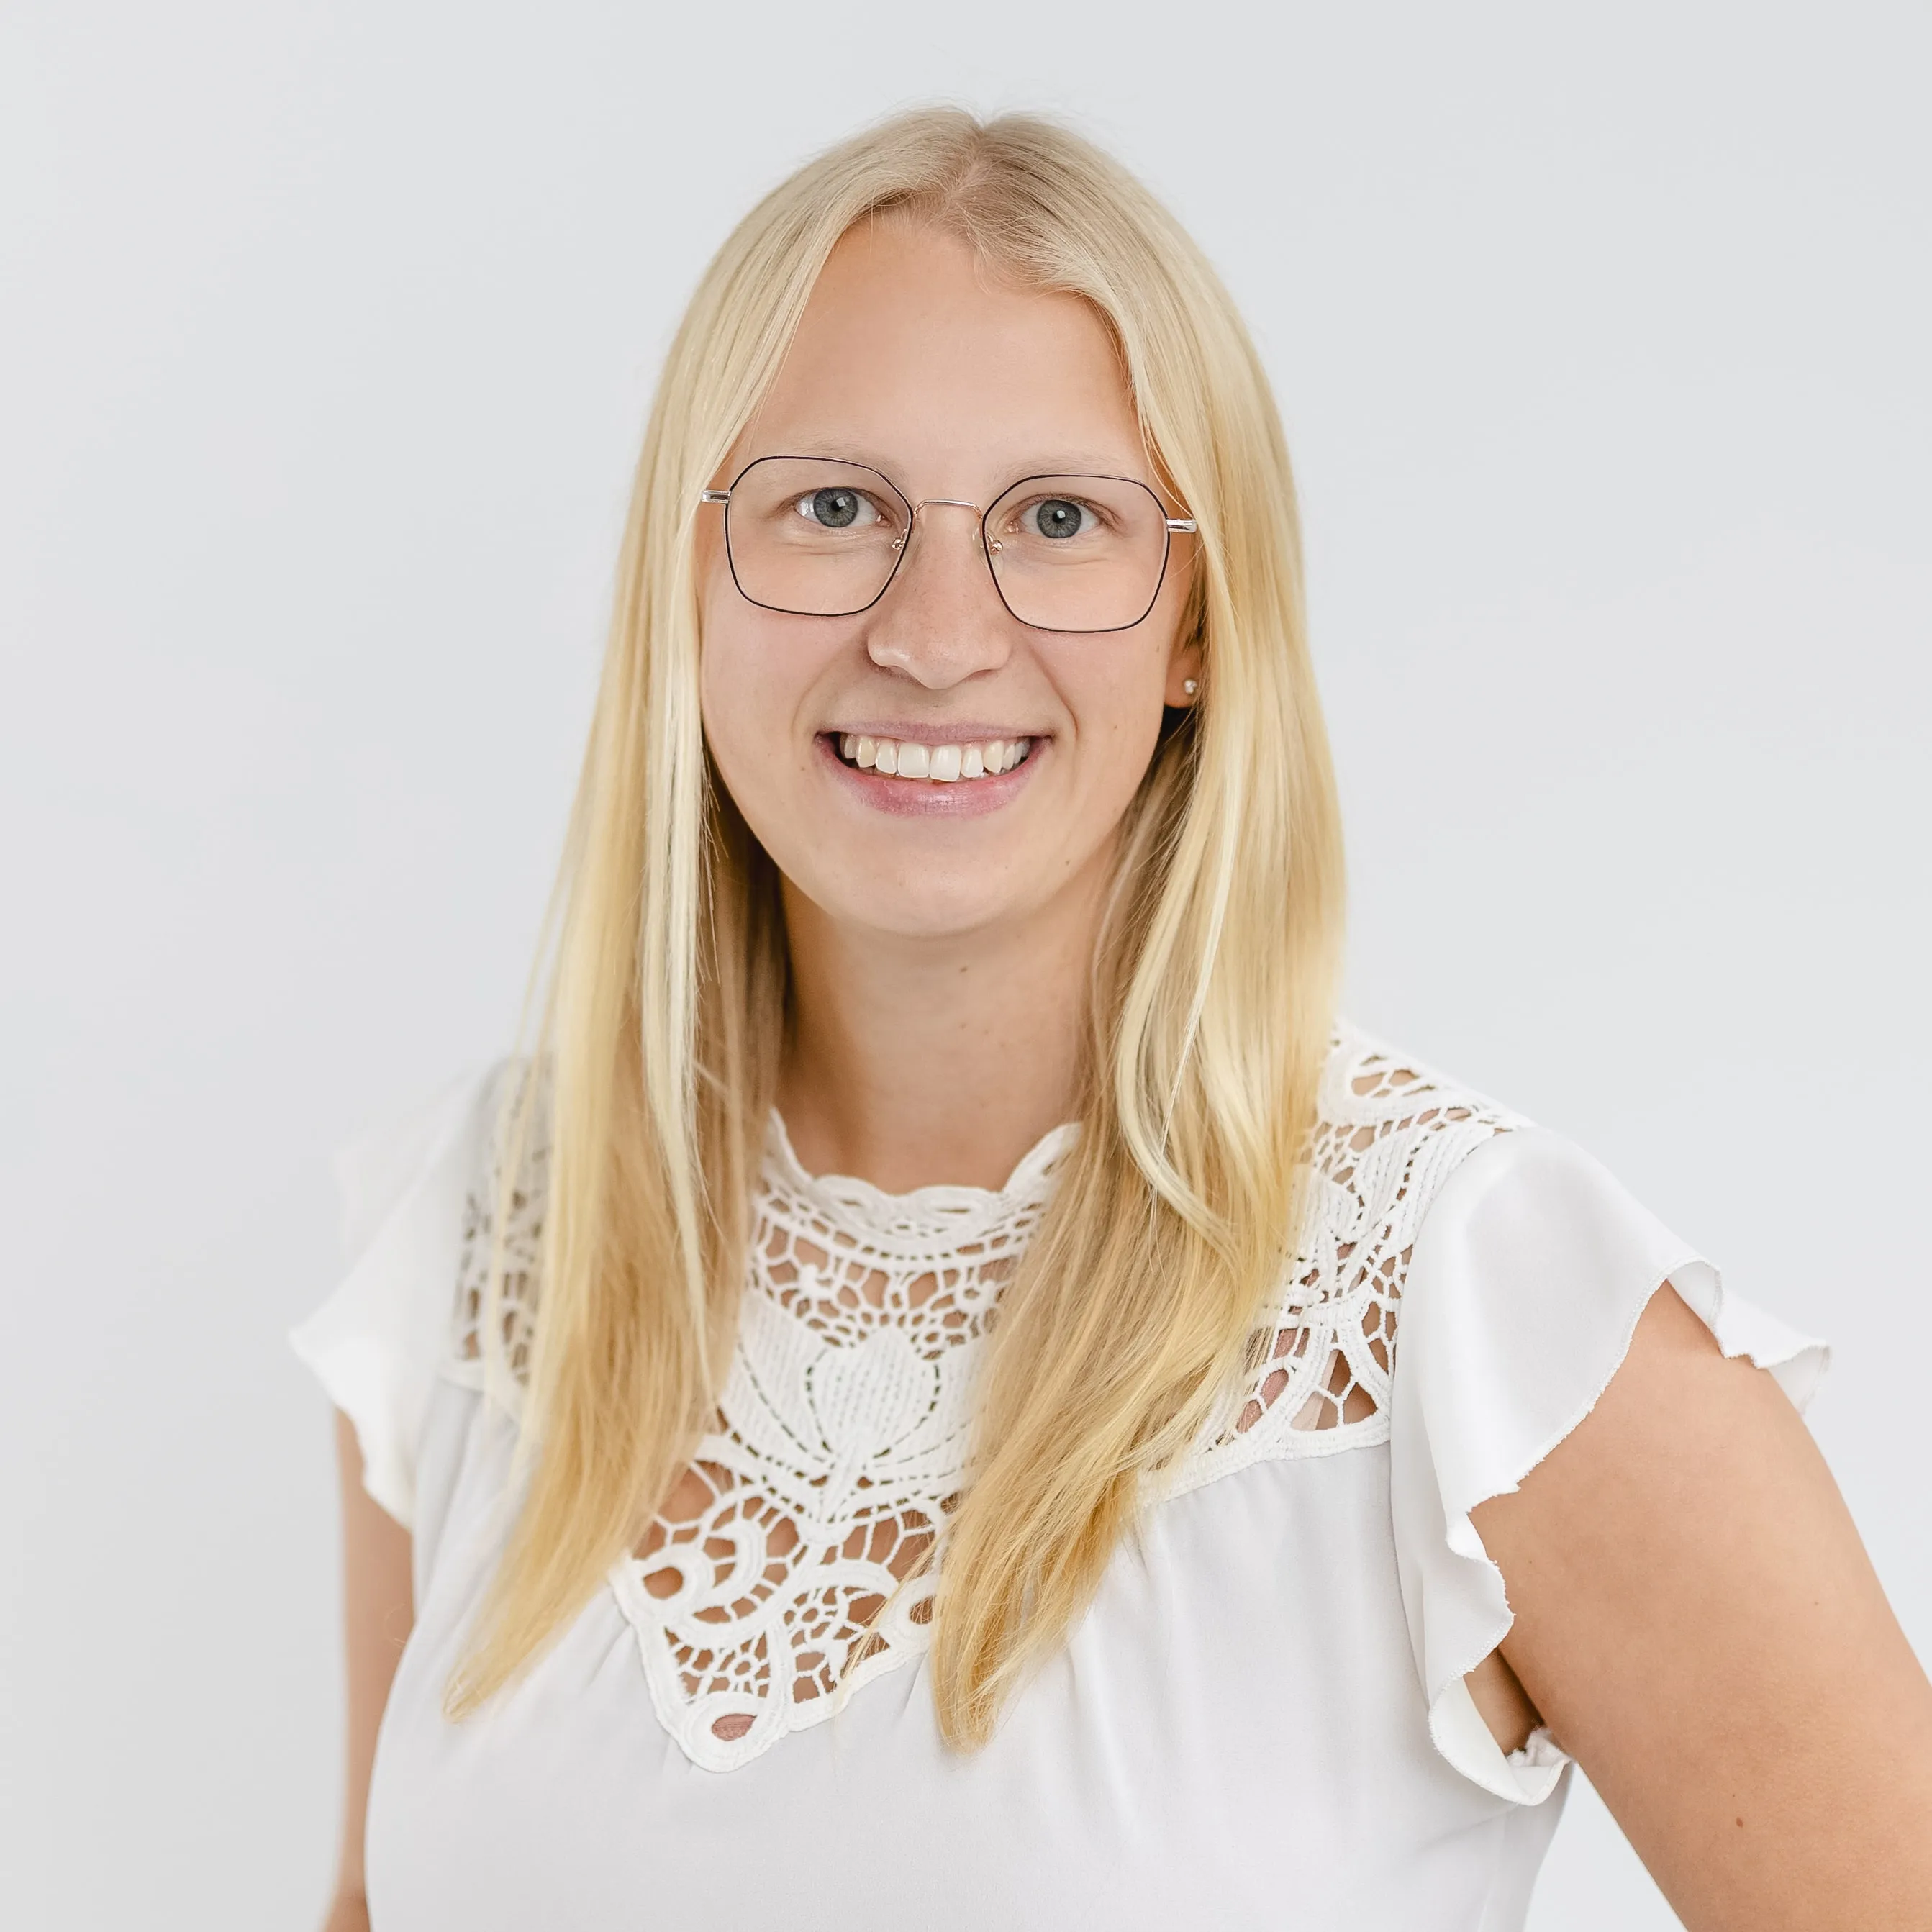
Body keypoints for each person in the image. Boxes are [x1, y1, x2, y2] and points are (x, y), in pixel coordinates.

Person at [293, 109, 1932, 1931]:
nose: (934, 635)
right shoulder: (487, 1225)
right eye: (832, 508)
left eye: (1059, 522)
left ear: (1198, 626)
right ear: (688, 583)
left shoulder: (1476, 1310)